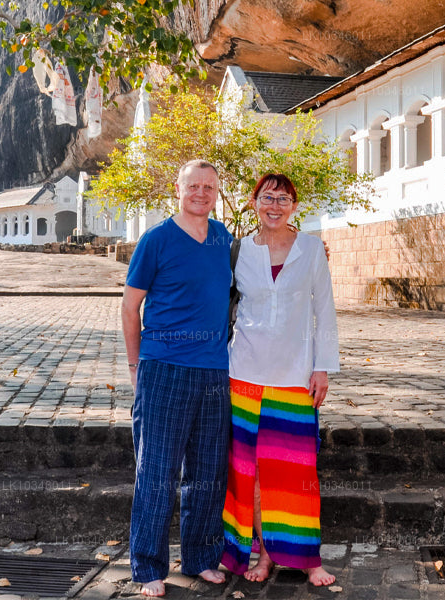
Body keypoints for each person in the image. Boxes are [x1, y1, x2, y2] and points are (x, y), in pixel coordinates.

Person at [221, 173, 339, 587]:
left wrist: (322, 365)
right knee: (248, 472)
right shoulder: (237, 251)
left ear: (294, 205)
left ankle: (308, 559)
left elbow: (324, 307)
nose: (275, 204)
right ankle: (264, 556)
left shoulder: (310, 249)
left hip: (294, 375)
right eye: (268, 197)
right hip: (244, 374)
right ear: (254, 201)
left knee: (296, 470)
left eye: (284, 198)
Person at [122, 159, 233, 597]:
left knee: (208, 471)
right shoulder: (156, 240)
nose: (202, 193)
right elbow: (130, 308)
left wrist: (309, 248)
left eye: (209, 187)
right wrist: (135, 368)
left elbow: (262, 262)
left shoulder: (223, 239)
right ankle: (149, 566)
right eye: (194, 186)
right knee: (157, 471)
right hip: (163, 368)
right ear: (178, 188)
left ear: (216, 192)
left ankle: (202, 557)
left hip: (214, 372)